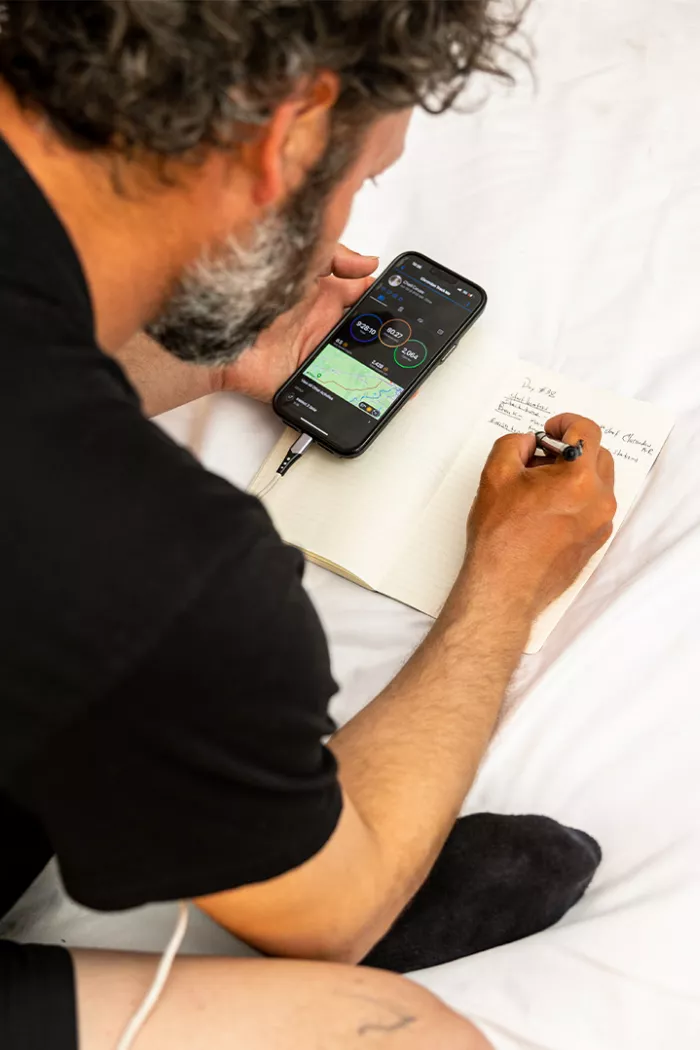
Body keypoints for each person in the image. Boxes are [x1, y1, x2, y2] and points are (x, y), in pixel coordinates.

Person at [0, 2, 617, 1048]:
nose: (343, 225)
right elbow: (335, 918)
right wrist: (506, 581)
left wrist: (198, 345)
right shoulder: (152, 563)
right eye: (361, 180)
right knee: (400, 1028)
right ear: (286, 137)